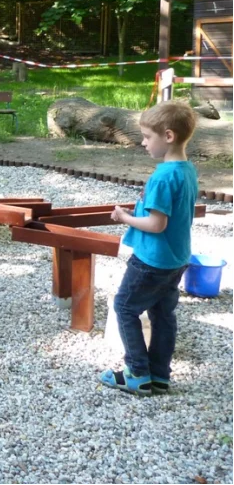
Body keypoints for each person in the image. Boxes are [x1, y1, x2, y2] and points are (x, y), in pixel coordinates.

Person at [102, 100, 198, 396]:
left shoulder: (163, 176)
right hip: (176, 259)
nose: (143, 143)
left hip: (151, 261)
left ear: (168, 136)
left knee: (124, 307)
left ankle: (137, 373)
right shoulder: (187, 170)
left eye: (147, 137)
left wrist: (124, 217)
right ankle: (159, 375)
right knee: (162, 315)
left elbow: (157, 224)